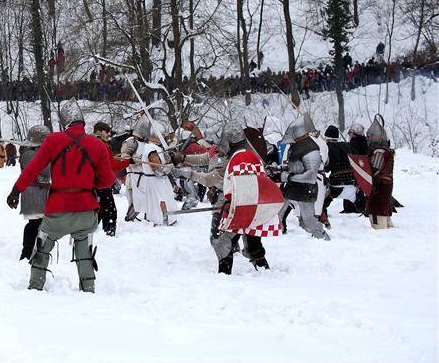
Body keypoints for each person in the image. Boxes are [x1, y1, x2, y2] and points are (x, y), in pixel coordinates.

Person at [6, 99, 115, 293]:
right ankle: (88, 288)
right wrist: (89, 187)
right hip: (86, 209)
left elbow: (32, 170)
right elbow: (107, 181)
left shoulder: (53, 140)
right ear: (83, 123)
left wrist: (16, 190)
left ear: (65, 123)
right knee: (84, 250)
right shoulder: (97, 145)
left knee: (42, 247)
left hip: (57, 210)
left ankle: (35, 286)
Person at [173, 122, 278, 274]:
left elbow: (210, 179)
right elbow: (207, 158)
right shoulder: (245, 152)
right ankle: (263, 270)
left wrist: (188, 173)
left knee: (220, 238)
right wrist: (183, 157)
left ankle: (225, 273)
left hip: (233, 202)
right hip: (247, 202)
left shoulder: (235, 158)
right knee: (250, 238)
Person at [278, 115, 330, 240]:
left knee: (308, 223)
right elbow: (294, 167)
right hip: (292, 189)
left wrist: (290, 178)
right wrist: (279, 169)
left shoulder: (311, 149)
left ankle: (325, 240)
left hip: (305, 190)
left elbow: (311, 176)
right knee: (277, 214)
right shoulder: (297, 147)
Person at [122, 116, 178, 226]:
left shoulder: (149, 146)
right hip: (137, 175)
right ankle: (132, 219)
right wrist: (137, 161)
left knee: (151, 200)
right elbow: (125, 159)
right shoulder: (132, 142)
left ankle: (153, 217)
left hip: (148, 176)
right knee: (140, 200)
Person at [17, 125, 51, 260]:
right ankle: (27, 252)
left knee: (39, 223)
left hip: (40, 192)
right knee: (34, 224)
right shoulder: (30, 154)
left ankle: (33, 249)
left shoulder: (37, 152)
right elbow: (44, 171)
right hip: (32, 192)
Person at [91, 121, 126, 236]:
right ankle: (109, 234)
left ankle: (92, 231)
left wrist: (114, 157)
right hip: (102, 183)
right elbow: (113, 166)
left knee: (100, 210)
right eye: (106, 132)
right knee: (110, 212)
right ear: (98, 131)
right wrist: (129, 161)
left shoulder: (90, 142)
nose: (108, 135)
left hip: (93, 182)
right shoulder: (102, 145)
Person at [321, 125, 363, 217]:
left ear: (327, 138)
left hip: (337, 184)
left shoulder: (327, 149)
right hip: (353, 183)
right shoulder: (349, 146)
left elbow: (326, 168)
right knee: (361, 206)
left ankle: (322, 211)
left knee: (322, 204)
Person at [364, 115, 395, 229]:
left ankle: (380, 227)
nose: (368, 139)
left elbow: (375, 169)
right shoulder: (385, 149)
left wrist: (368, 182)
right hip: (385, 184)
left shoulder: (379, 151)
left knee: (377, 206)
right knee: (383, 205)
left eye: (369, 137)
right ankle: (387, 223)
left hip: (379, 184)